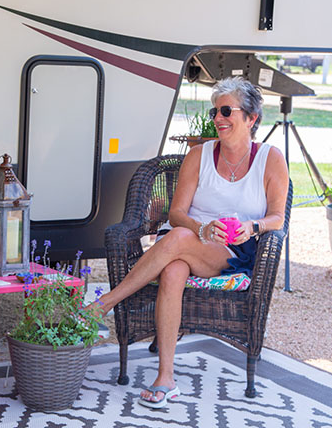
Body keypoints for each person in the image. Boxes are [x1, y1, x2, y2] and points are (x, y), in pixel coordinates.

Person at [90, 77, 289, 408]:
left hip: (232, 250)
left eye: (227, 111)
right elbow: (177, 212)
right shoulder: (199, 155)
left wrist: (251, 227)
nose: (218, 119)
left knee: (179, 241)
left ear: (251, 118)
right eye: (215, 111)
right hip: (188, 237)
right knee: (173, 271)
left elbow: (277, 218)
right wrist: (202, 228)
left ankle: (106, 303)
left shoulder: (271, 159)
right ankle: (165, 378)